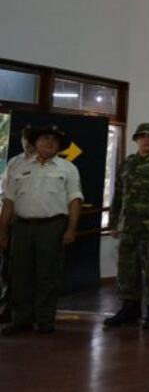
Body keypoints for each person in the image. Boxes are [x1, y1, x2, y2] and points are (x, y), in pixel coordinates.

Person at [0, 124, 81, 335]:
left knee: (48, 275)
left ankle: (45, 321)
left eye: (54, 140)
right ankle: (21, 320)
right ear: (35, 143)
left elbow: (74, 201)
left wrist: (71, 229)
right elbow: (9, 201)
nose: (49, 143)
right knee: (20, 275)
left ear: (59, 146)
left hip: (51, 227)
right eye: (44, 138)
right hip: (22, 227)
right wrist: (2, 230)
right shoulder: (17, 166)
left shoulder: (67, 168)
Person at [105, 123, 149, 330]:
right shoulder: (128, 164)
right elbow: (118, 195)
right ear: (136, 139)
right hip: (129, 226)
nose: (147, 140)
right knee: (127, 269)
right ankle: (130, 308)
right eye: (143, 137)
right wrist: (113, 222)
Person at [0, 124, 34, 324]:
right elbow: (7, 196)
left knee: (33, 270)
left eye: (31, 141)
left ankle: (32, 310)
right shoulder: (14, 163)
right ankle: (9, 305)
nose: (28, 145)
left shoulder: (49, 163)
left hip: (37, 224)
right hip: (14, 220)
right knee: (9, 268)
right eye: (25, 141)